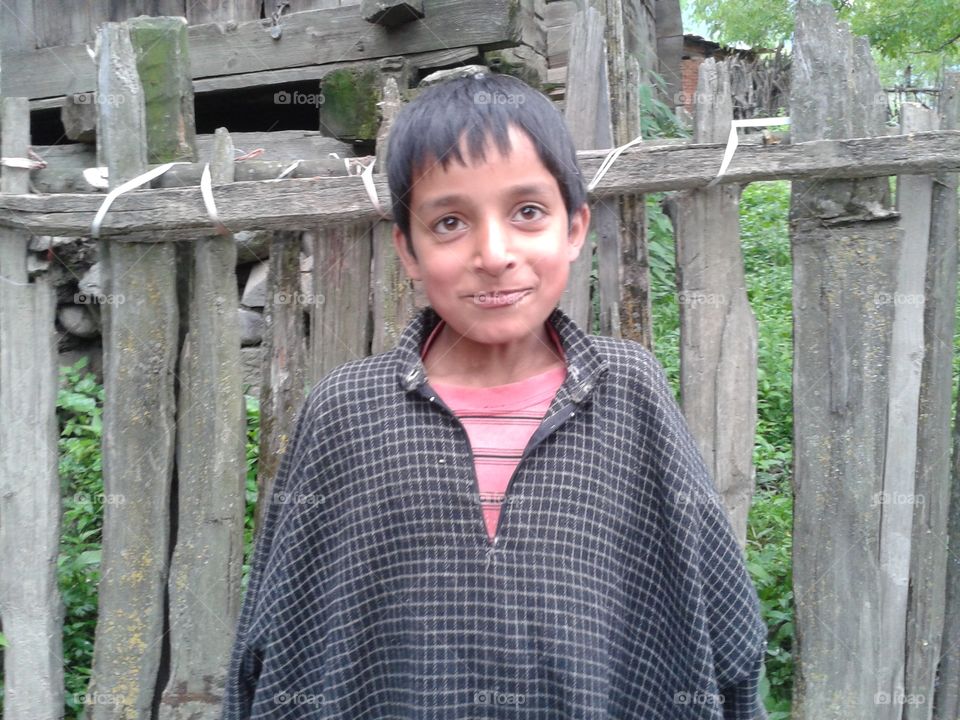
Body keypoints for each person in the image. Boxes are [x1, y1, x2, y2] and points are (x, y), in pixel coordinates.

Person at [222, 71, 767, 719]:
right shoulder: (349, 413)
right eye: (449, 222)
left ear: (574, 227)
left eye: (528, 212)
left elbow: (724, 630)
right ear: (409, 251)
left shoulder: (629, 395)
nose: (494, 252)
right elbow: (274, 644)